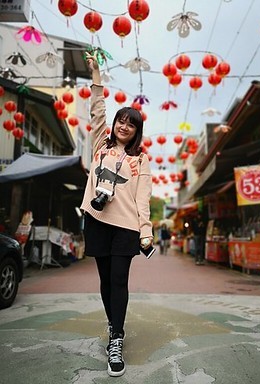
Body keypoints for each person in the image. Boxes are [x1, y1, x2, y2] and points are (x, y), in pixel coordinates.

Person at [80, 54, 152, 377]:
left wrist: (146, 230)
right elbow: (97, 110)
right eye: (121, 120)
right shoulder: (99, 146)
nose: (124, 126)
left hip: (126, 228)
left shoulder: (141, 160)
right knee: (105, 280)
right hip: (96, 221)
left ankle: (117, 339)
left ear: (136, 130)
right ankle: (113, 325)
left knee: (119, 280)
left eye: (131, 123)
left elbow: (143, 197)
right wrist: (96, 74)